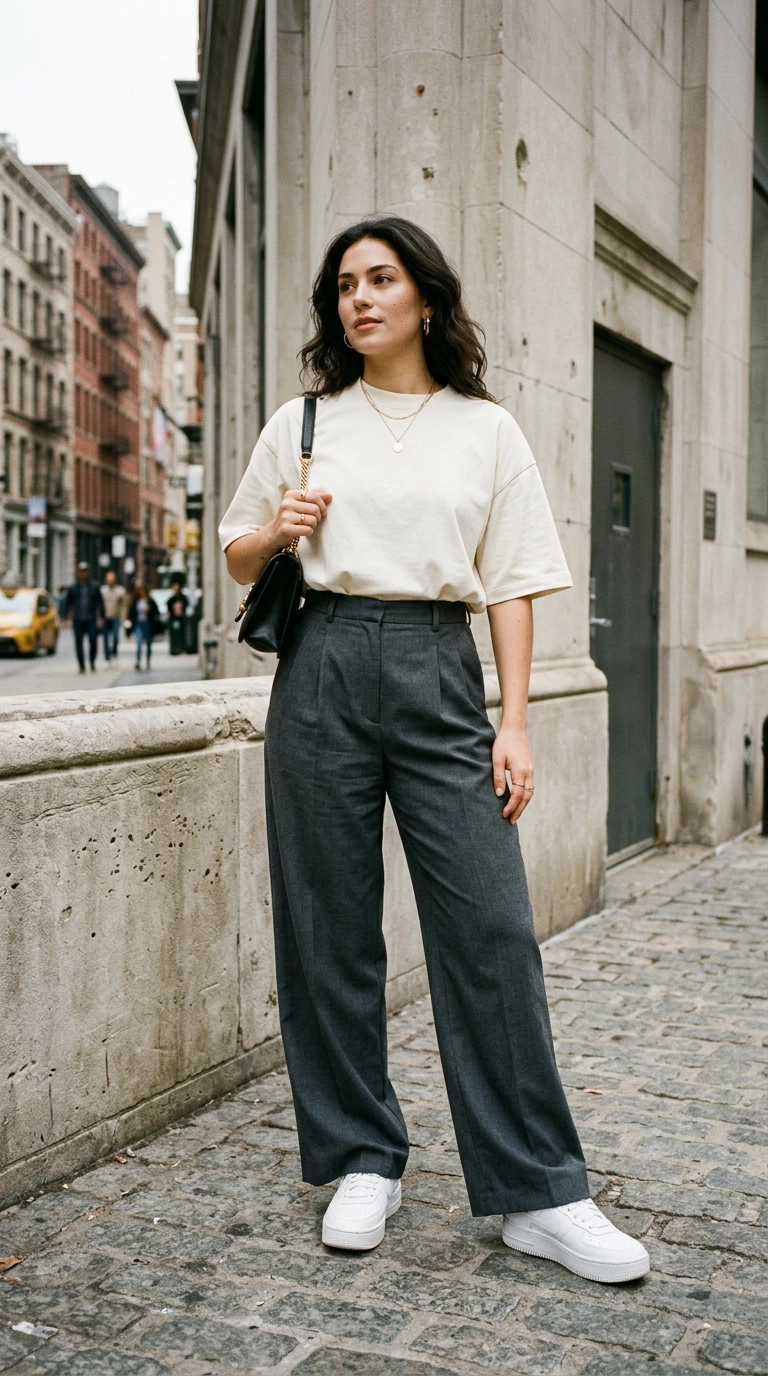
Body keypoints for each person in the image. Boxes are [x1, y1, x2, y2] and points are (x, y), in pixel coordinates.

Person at [219, 216, 650, 1285]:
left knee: (493, 924)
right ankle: (362, 1155)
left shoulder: (484, 431)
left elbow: (509, 581)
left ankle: (541, 1189)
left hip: (438, 664)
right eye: (345, 285)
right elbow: (236, 555)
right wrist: (279, 527)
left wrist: (514, 720)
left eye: (381, 278)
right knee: (328, 919)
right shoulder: (306, 418)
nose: (360, 297)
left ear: (424, 295)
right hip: (319, 661)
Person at [64, 562, 104, 673]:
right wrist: (66, 618)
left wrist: (101, 617)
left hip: (91, 618)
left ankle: (92, 661)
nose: (83, 574)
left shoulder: (94, 586)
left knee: (93, 640)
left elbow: (100, 602)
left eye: (85, 571)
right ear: (78, 573)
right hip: (78, 619)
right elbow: (68, 603)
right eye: (81, 572)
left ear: (88, 573)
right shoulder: (73, 587)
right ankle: (81, 665)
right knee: (78, 643)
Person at [125, 583, 161, 670]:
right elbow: (131, 612)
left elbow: (157, 612)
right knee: (139, 642)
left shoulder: (151, 601)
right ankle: (137, 661)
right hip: (138, 623)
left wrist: (150, 610)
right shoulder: (136, 601)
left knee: (148, 643)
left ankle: (148, 661)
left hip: (147, 623)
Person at [100, 569, 126, 662]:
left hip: (116, 617)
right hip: (105, 617)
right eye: (109, 579)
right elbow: (99, 605)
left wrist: (124, 617)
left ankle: (114, 651)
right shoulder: (102, 590)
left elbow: (123, 605)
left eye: (112, 579)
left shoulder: (120, 590)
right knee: (105, 638)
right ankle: (107, 655)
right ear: (106, 580)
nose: (110, 581)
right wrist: (99, 617)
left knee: (115, 636)